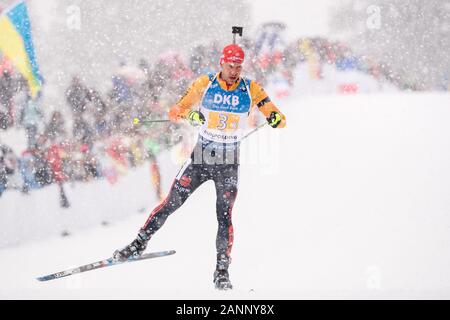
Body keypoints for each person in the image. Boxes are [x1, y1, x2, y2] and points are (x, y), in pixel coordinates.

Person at [113, 44, 286, 290]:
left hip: (227, 163)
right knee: (170, 203)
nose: (234, 71)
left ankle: (222, 271)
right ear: (221, 64)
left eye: (238, 66)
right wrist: (190, 116)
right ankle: (138, 244)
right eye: (230, 65)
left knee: (224, 217)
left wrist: (274, 118)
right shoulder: (205, 83)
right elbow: (175, 111)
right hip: (201, 158)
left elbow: (280, 119)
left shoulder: (251, 88)